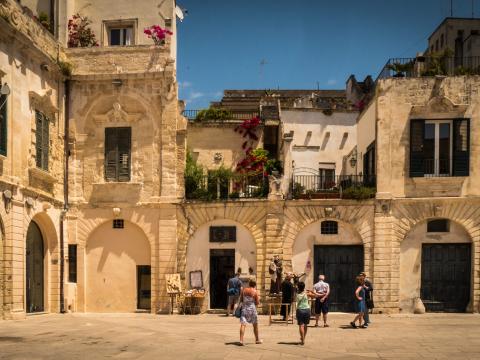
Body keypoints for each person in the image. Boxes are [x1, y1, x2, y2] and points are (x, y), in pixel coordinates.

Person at [239, 279, 262, 345]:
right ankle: (257, 340)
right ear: (255, 285)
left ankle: (241, 340)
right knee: (255, 325)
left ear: (249, 284)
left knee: (243, 324)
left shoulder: (244, 290)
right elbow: (257, 303)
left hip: (244, 309)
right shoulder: (255, 292)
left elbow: (241, 300)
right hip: (252, 309)